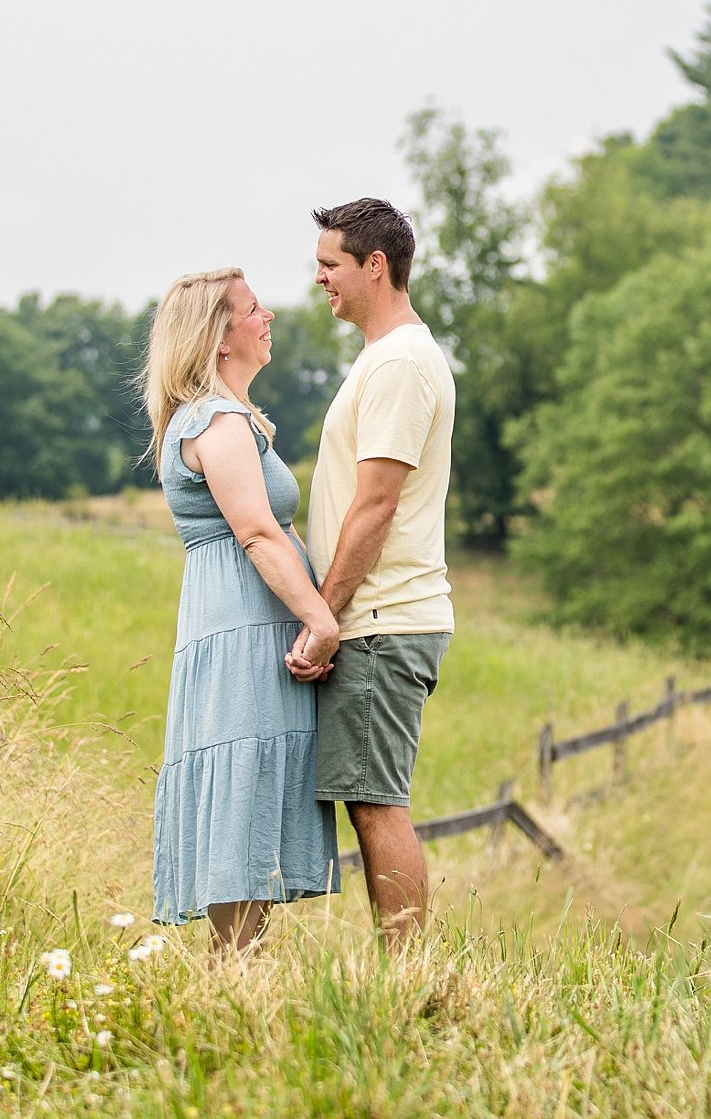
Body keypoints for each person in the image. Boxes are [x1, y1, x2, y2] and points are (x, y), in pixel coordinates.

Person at [143, 268, 341, 951]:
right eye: (254, 309)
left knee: (247, 798)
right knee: (240, 797)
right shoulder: (217, 421)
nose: (269, 317)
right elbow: (257, 531)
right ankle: (234, 979)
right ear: (220, 336)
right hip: (241, 629)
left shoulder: (218, 417)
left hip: (236, 623)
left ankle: (239, 979)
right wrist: (319, 617)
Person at [289, 197, 455, 946]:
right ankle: (406, 969)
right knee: (370, 798)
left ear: (374, 265)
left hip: (384, 619)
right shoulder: (387, 357)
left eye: (330, 265)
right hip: (380, 617)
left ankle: (411, 973)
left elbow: (375, 505)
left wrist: (325, 615)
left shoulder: (400, 363)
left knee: (377, 802)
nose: (318, 277)